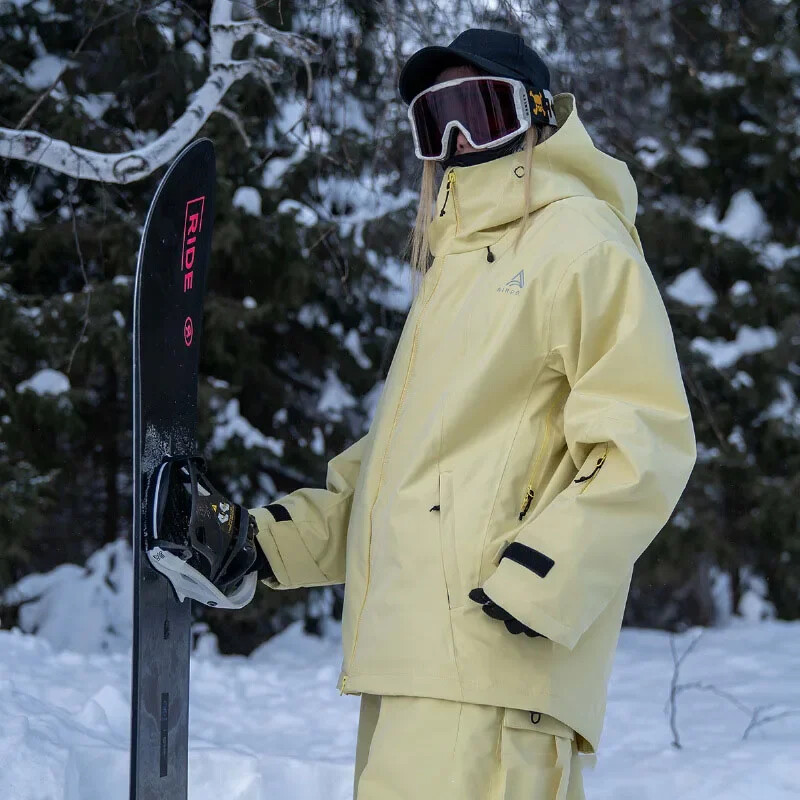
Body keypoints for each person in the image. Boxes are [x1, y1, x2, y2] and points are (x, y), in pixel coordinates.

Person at [152, 27, 697, 800]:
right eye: (435, 118)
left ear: (538, 115)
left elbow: (646, 440)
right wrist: (261, 544)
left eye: (481, 108)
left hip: (493, 661)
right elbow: (400, 477)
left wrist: (541, 580)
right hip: (414, 664)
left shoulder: (579, 242)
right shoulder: (458, 271)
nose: (457, 138)